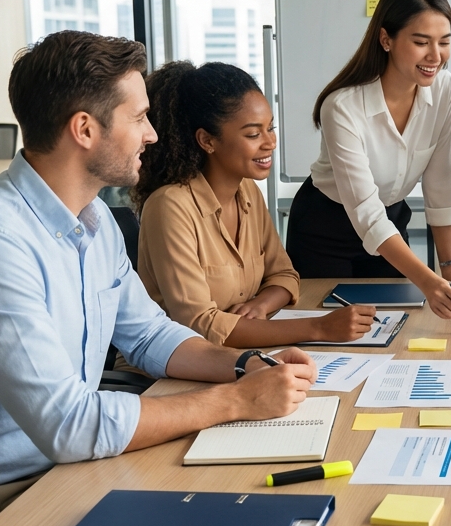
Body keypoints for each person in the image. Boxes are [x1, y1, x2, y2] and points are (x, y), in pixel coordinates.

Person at [0, 31, 318, 526]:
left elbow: (151, 336)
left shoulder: (94, 224)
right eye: (139, 117)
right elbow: (70, 425)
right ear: (85, 129)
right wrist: (234, 400)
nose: (153, 134)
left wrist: (245, 365)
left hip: (64, 474)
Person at [132, 61, 375, 347]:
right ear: (207, 140)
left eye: (269, 128)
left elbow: (284, 275)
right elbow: (200, 325)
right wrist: (319, 328)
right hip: (172, 373)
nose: (270, 142)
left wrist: (261, 304)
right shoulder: (169, 206)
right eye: (253, 134)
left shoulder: (247, 190)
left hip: (236, 358)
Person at [285, 0, 451, 316]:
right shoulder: (342, 106)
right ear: (386, 39)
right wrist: (428, 279)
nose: (435, 56)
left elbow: (439, 180)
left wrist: (448, 266)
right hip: (325, 229)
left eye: (444, 42)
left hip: (390, 224)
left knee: (398, 324)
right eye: (421, 42)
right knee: (328, 332)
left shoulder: (443, 89)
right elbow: (365, 210)